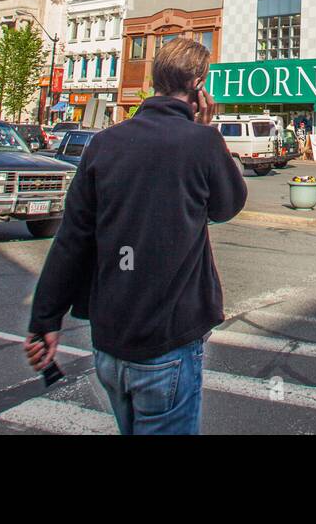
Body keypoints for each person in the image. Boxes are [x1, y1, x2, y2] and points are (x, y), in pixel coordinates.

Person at [24, 38, 247, 434]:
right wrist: (209, 131)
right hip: (167, 343)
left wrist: (45, 320)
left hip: (109, 344)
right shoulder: (202, 142)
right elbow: (227, 206)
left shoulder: (103, 144)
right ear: (198, 86)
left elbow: (72, 239)